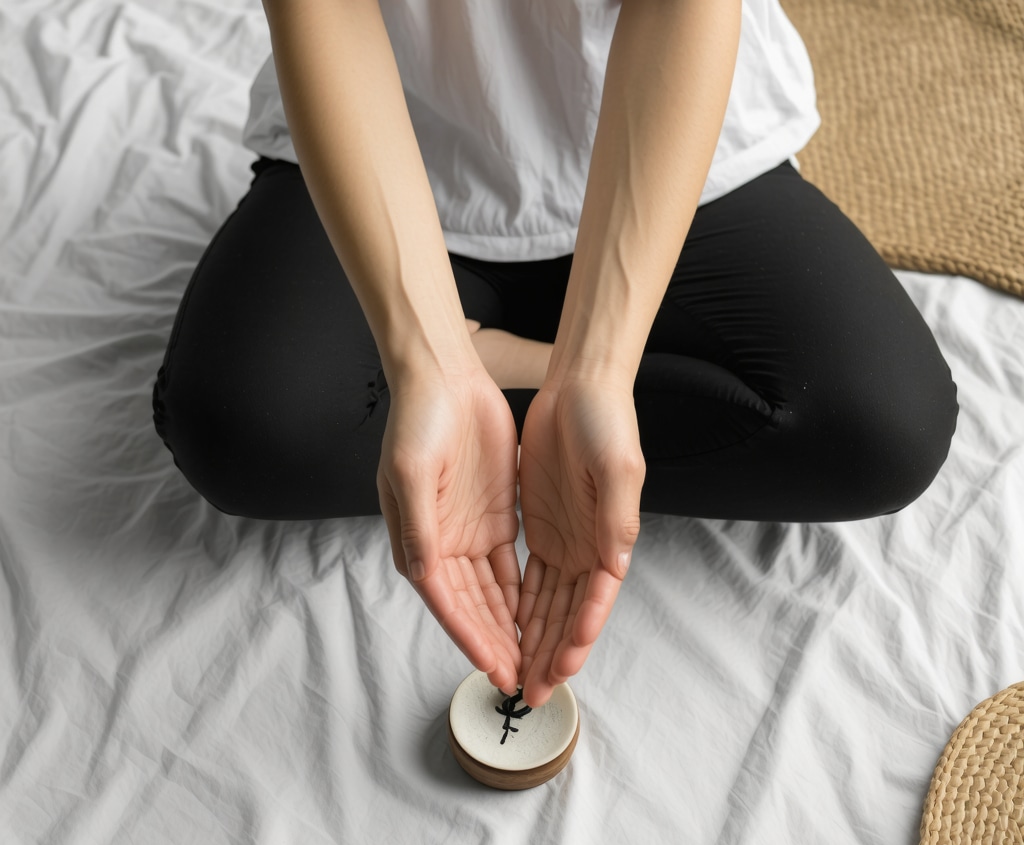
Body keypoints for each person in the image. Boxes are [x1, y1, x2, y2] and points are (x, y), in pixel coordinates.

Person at [152, 0, 958, 709]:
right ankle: (477, 387)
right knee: (242, 428)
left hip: (662, 143)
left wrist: (597, 372)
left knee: (883, 427)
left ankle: (508, 378)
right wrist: (428, 361)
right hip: (389, 143)